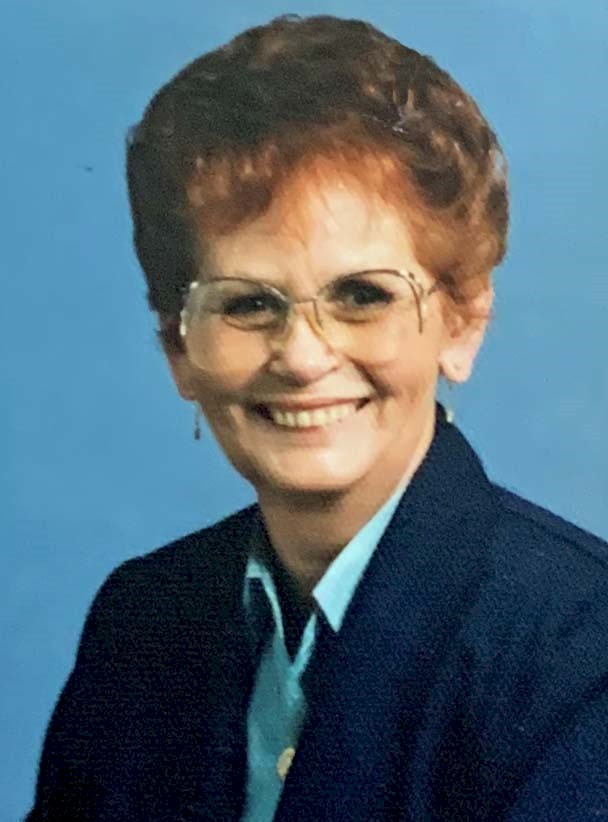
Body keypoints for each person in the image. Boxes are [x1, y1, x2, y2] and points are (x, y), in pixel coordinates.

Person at [27, 14, 608, 821]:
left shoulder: (581, 651)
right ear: (177, 345)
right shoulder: (143, 622)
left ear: (463, 322)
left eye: (362, 295)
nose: (302, 357)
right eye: (248, 304)